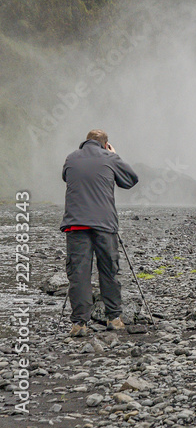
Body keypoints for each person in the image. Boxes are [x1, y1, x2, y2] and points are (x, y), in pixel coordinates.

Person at [60, 129, 139, 337]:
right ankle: (113, 318)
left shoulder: (71, 158)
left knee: (78, 274)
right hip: (104, 225)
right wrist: (115, 155)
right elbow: (130, 180)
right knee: (109, 271)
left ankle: (79, 323)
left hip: (76, 225)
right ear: (106, 144)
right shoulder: (109, 157)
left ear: (86, 142)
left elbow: (66, 177)